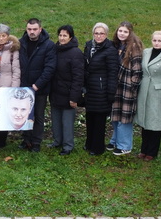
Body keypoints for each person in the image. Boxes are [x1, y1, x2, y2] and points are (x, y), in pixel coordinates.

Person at [134, 31, 161, 161]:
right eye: (154, 40)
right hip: (144, 90)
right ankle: (143, 149)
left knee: (155, 123)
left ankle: (152, 152)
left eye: (160, 41)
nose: (157, 43)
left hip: (158, 93)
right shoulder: (146, 52)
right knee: (145, 121)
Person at [19, 18, 56, 152]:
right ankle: (26, 139)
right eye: (29, 29)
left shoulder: (49, 45)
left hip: (39, 88)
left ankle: (36, 142)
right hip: (24, 87)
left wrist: (37, 85)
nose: (32, 32)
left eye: (35, 29)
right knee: (25, 114)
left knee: (38, 116)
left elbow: (49, 68)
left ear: (40, 29)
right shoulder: (21, 43)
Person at [82, 22, 119, 156]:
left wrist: (110, 93)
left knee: (99, 120)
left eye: (101, 33)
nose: (98, 36)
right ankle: (89, 143)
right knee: (90, 117)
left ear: (106, 34)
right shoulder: (88, 46)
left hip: (102, 90)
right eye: (96, 33)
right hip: (90, 89)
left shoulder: (110, 50)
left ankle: (97, 147)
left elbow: (113, 73)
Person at [49, 25, 84, 156]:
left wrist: (74, 97)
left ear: (71, 37)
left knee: (67, 122)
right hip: (55, 92)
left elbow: (78, 77)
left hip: (69, 93)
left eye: (65, 35)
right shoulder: (55, 50)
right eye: (60, 35)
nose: (62, 38)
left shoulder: (76, 53)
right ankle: (57, 141)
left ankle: (68, 145)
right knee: (56, 119)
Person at [110, 21, 144, 156]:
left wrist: (132, 86)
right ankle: (115, 140)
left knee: (124, 118)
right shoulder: (117, 45)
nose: (122, 34)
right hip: (117, 86)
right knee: (115, 115)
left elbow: (138, 70)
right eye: (120, 31)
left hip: (127, 88)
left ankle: (125, 145)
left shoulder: (134, 47)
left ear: (130, 33)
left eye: (125, 31)